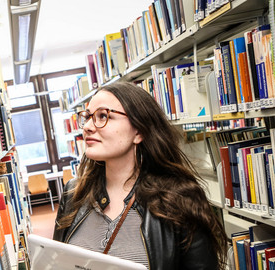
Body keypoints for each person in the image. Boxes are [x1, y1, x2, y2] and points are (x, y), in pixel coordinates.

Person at [53, 82, 227, 269]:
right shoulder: (73, 193)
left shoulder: (180, 199)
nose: (87, 126)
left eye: (103, 116)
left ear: (139, 132)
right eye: (87, 117)